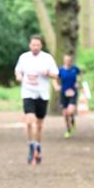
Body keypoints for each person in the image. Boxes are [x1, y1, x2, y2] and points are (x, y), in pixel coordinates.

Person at [14, 35, 58, 166]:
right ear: (29, 45)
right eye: (33, 45)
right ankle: (31, 146)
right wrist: (19, 76)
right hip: (28, 92)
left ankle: (38, 145)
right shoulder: (24, 57)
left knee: (39, 124)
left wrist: (47, 73)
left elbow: (55, 74)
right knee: (29, 121)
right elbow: (18, 70)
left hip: (42, 94)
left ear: (41, 46)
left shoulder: (47, 58)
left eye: (37, 45)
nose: (35, 47)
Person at [54, 53, 81, 138]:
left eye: (69, 60)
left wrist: (77, 82)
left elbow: (80, 76)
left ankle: (72, 121)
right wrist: (57, 86)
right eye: (66, 60)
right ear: (64, 60)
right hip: (64, 92)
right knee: (65, 113)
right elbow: (55, 79)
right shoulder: (60, 70)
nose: (68, 62)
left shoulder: (75, 69)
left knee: (70, 111)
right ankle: (68, 129)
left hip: (73, 92)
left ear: (71, 60)